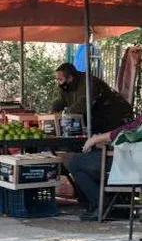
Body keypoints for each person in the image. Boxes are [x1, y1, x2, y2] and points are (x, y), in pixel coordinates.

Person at [52, 62, 135, 221]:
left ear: (70, 78)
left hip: (118, 149)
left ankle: (102, 203)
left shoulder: (90, 84)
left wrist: (98, 138)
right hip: (108, 142)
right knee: (79, 159)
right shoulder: (66, 88)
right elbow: (60, 102)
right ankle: (95, 202)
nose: (58, 82)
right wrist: (51, 113)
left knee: (76, 162)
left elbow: (83, 105)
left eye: (60, 79)